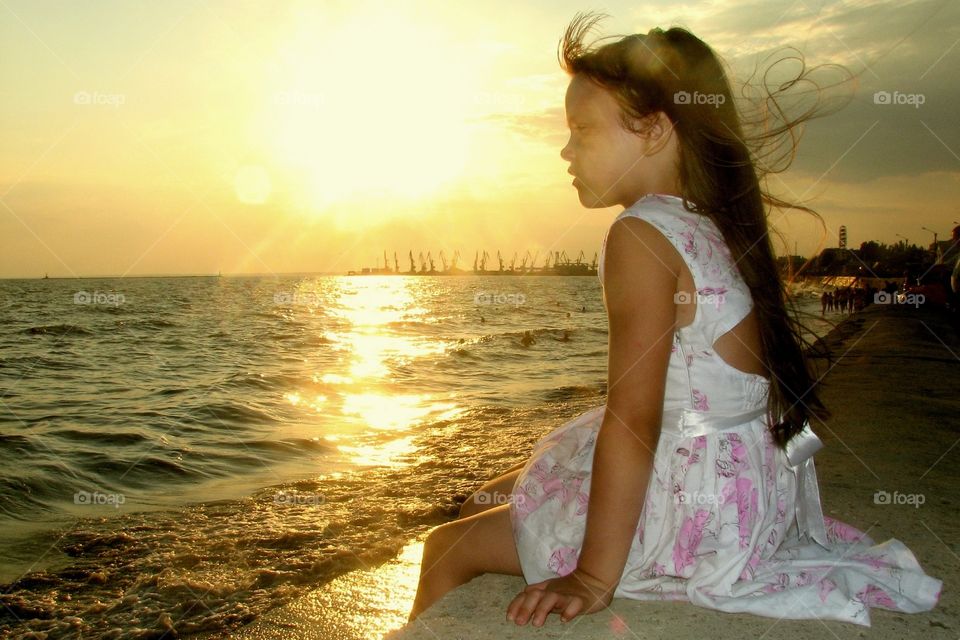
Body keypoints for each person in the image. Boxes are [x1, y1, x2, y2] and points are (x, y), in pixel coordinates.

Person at [408, 12, 941, 627]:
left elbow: (634, 419)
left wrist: (592, 575)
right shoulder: (707, 220)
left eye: (582, 130)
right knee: (492, 493)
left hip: (693, 514)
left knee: (445, 545)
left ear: (655, 131)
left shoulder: (640, 234)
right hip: (743, 489)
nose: (566, 148)